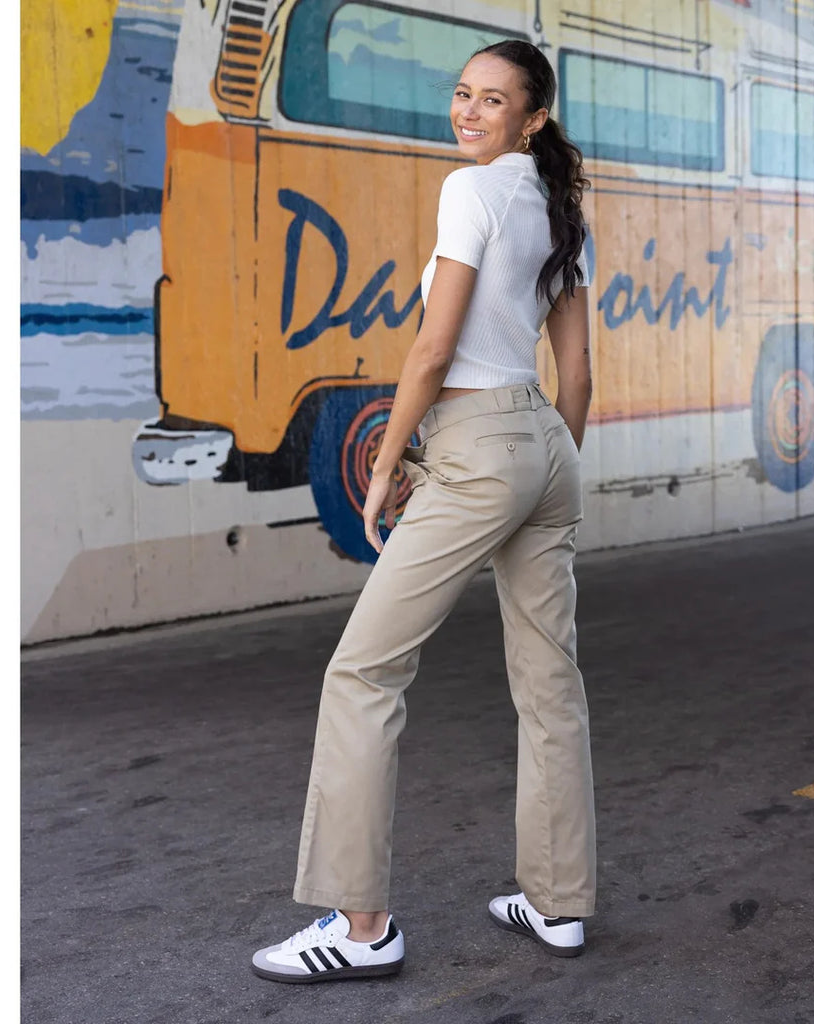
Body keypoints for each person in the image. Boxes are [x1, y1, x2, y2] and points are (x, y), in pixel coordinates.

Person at [252, 39, 597, 984]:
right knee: (550, 685)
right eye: (462, 95)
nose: (469, 113)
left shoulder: (473, 192)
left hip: (478, 447)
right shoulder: (563, 210)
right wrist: (547, 466)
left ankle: (362, 929)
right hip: (543, 447)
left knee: (363, 672)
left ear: (532, 118)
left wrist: (389, 463)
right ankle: (559, 902)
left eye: (493, 101)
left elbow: (432, 347)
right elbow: (578, 376)